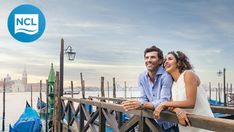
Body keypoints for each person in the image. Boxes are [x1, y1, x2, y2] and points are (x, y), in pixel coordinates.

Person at [153, 51, 214, 132]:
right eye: (165, 60)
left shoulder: (188, 74)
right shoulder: (173, 84)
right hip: (186, 126)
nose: (166, 62)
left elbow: (191, 103)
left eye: (170, 59)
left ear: (178, 62)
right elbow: (171, 105)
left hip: (204, 125)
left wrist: (163, 104)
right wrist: (178, 110)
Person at [122, 46, 178, 131]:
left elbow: (165, 100)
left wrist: (142, 104)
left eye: (152, 57)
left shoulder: (166, 76)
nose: (149, 60)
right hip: (150, 120)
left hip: (167, 122)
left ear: (160, 61)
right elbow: (143, 98)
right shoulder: (141, 77)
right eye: (146, 57)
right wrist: (137, 103)